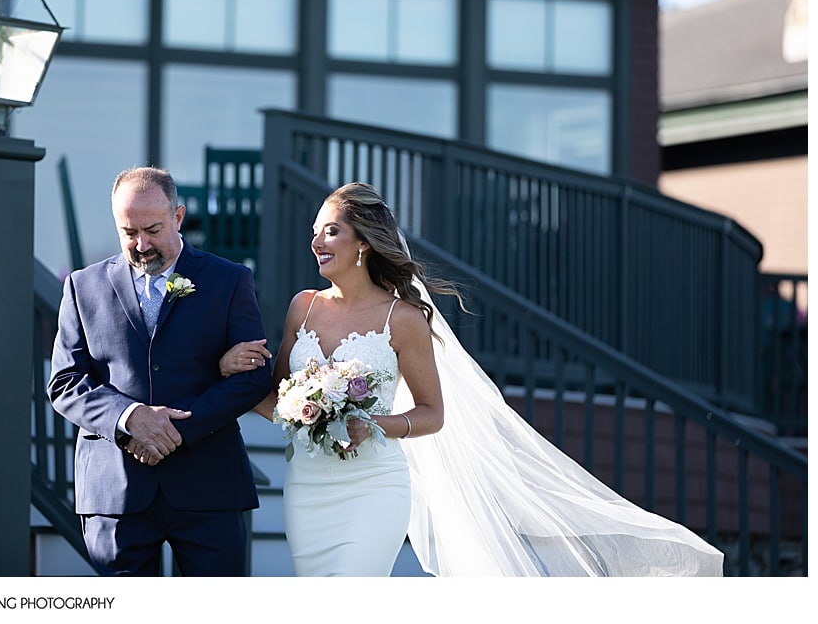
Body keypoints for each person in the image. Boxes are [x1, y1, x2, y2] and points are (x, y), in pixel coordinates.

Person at [223, 181, 724, 576]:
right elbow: (275, 396)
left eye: (330, 230)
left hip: (373, 484)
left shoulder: (403, 319)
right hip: (309, 486)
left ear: (364, 244)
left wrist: (375, 425)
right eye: (315, 231)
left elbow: (431, 413)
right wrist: (282, 401)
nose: (316, 241)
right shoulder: (302, 308)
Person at [47, 166, 272, 576]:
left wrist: (174, 429)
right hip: (116, 490)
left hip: (208, 482)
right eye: (128, 232)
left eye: (152, 230)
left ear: (178, 217)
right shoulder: (83, 286)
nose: (141, 244)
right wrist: (130, 419)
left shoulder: (229, 280)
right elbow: (65, 382)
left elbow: (254, 376)